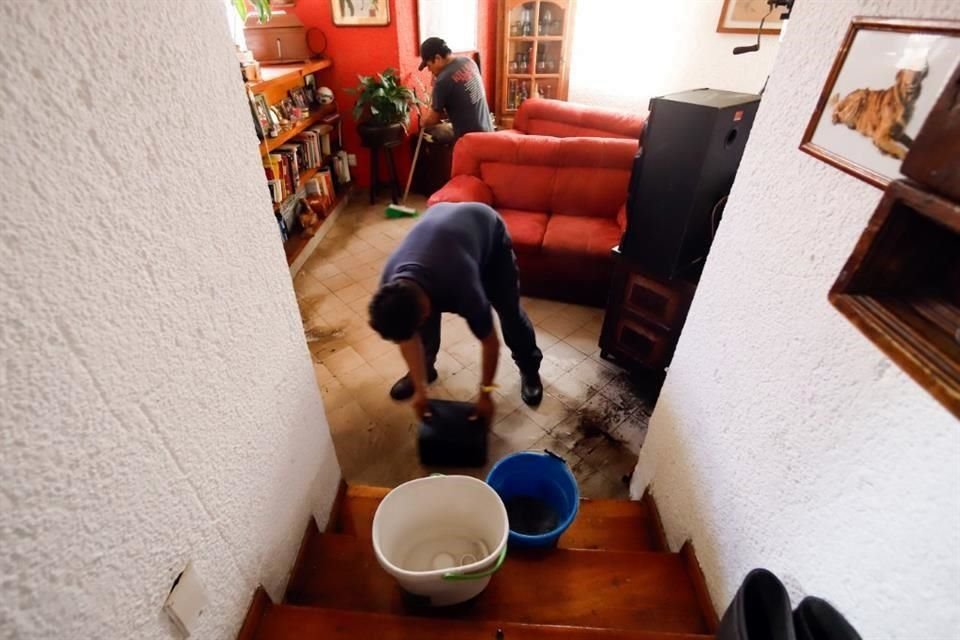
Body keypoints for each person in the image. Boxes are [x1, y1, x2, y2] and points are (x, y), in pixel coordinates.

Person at [368, 202, 543, 422]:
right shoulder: (390, 284)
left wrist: (486, 394)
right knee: (419, 330)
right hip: (445, 231)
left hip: (488, 236)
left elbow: (490, 343)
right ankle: (425, 370)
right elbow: (407, 338)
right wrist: (420, 389)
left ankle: (529, 368)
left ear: (424, 309)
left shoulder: (461, 284)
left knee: (509, 313)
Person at [418, 37, 493, 143]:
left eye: (429, 65)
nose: (429, 70)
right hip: (488, 133)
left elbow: (432, 120)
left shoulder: (443, 80)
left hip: (471, 141)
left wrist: (423, 121)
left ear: (438, 58)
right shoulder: (468, 62)